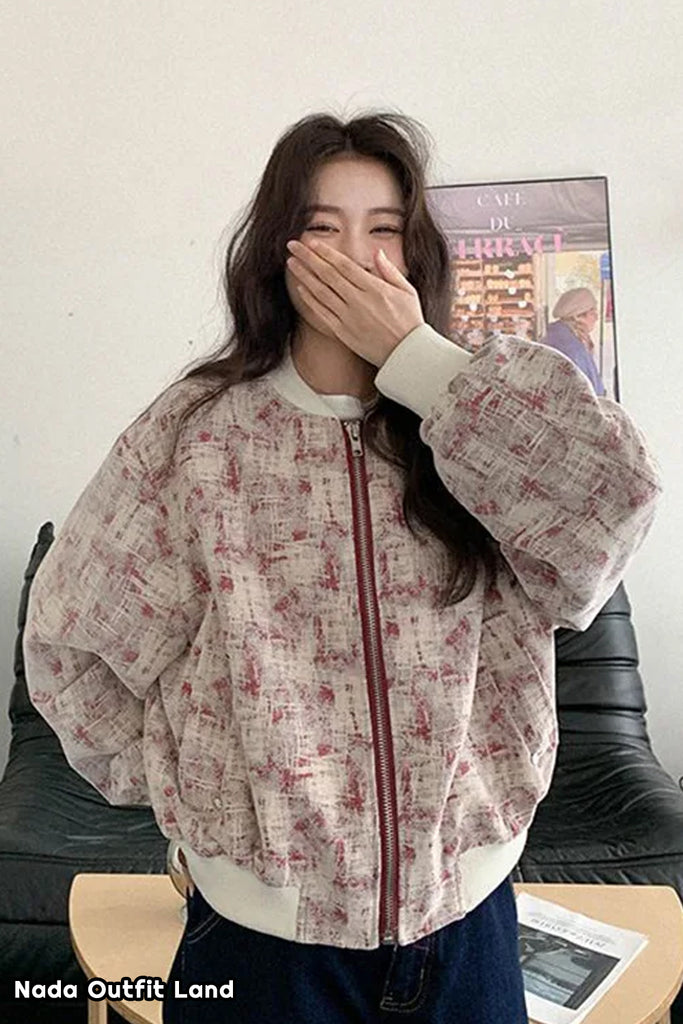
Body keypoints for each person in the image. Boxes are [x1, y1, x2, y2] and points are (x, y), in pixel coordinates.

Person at [22, 111, 661, 1024]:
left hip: (467, 924)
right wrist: (195, 797)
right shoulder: (200, 438)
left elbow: (612, 506)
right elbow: (73, 641)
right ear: (274, 252)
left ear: (417, 252)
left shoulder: (485, 412)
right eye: (321, 227)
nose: (356, 258)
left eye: (384, 229)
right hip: (261, 947)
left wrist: (417, 362)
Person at [540, 287, 606, 395]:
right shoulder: (573, 350)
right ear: (578, 316)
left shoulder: (554, 336)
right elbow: (586, 395)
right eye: (593, 312)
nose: (597, 317)